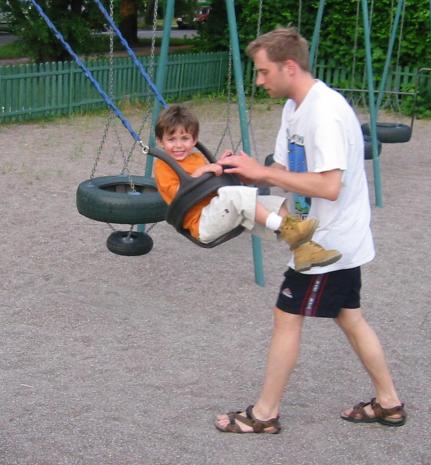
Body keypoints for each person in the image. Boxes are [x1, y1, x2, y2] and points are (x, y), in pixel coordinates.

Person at [214, 27, 406, 434]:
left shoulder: (326, 112)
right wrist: (247, 171)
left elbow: (329, 186)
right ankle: (389, 403)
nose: (259, 80)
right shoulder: (294, 108)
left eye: (263, 71)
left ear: (289, 66)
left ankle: (264, 415)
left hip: (326, 243)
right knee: (350, 317)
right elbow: (284, 171)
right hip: (320, 233)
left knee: (286, 316)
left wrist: (264, 174)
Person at [153, 104, 342, 271]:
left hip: (219, 211)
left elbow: (207, 186)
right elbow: (180, 196)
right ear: (161, 141)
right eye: (171, 139)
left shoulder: (195, 158)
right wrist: (203, 171)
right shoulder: (163, 166)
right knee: (238, 195)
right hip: (202, 222)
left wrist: (220, 166)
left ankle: (303, 250)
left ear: (194, 140)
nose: (178, 145)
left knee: (271, 204)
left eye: (185, 138)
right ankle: (291, 230)